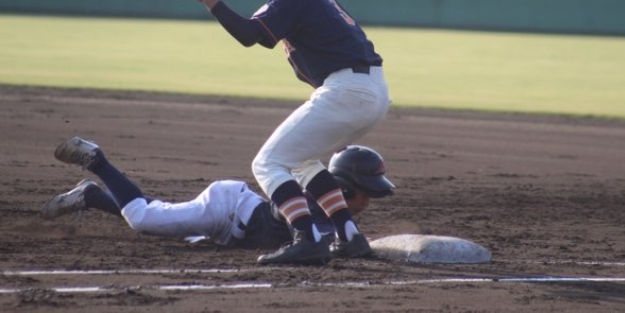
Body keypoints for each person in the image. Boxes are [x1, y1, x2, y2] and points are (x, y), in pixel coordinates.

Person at [186, 0, 391, 264]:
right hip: (368, 90)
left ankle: (307, 238)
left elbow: (251, 35)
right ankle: (349, 237)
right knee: (302, 161)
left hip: (349, 90)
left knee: (268, 163)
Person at [42, 137, 395, 252]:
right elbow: (285, 215)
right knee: (142, 219)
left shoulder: (330, 215)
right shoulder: (309, 203)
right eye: (365, 194)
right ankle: (97, 161)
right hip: (226, 209)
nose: (367, 203)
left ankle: (92, 196)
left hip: (232, 224)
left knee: (166, 218)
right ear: (344, 188)